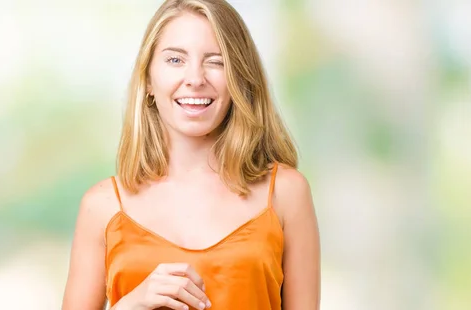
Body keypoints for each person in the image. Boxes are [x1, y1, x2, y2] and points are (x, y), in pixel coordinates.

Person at [61, 0, 321, 309]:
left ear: (240, 76)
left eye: (216, 61)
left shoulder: (286, 193)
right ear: (147, 80)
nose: (195, 79)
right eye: (175, 60)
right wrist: (129, 305)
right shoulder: (101, 206)